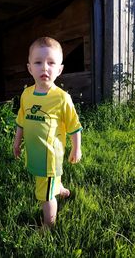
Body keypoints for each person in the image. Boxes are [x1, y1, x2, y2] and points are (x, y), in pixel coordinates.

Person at [13, 37, 82, 227]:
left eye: (51, 63)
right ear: (30, 68)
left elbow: (74, 125)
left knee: (45, 195)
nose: (44, 68)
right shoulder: (26, 95)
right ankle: (58, 188)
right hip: (35, 153)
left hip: (50, 157)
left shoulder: (61, 98)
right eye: (38, 62)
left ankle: (48, 225)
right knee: (48, 181)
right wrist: (16, 142)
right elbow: (21, 121)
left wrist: (77, 149)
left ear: (59, 69)